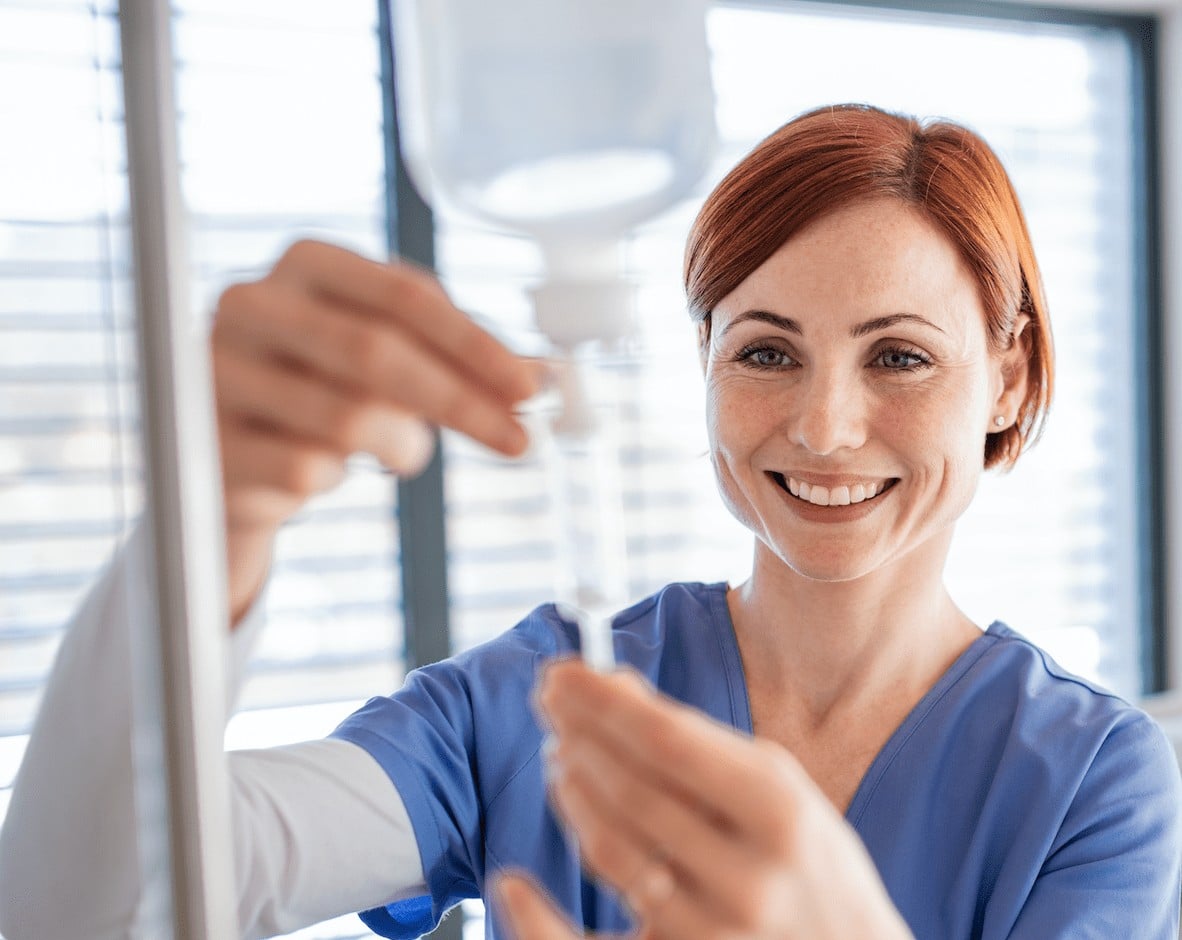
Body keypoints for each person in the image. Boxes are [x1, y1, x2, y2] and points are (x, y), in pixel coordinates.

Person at [0, 103, 1178, 940]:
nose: (825, 428)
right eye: (766, 351)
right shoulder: (541, 698)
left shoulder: (1092, 783)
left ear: (1008, 380)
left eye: (901, 356)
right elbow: (89, 906)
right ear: (704, 362)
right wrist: (211, 524)